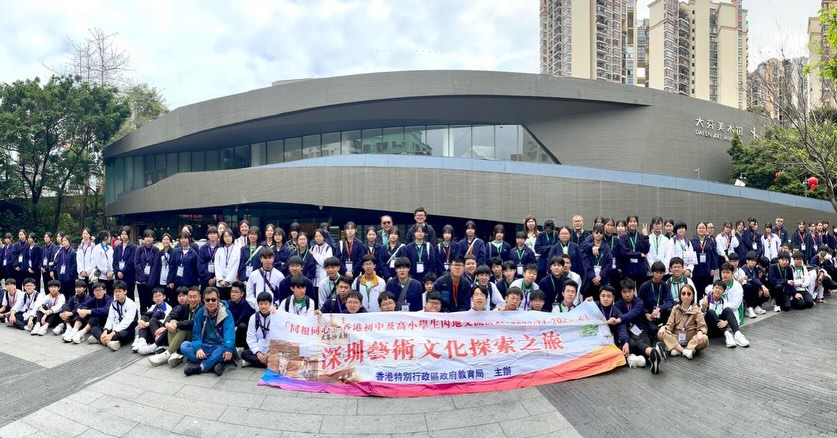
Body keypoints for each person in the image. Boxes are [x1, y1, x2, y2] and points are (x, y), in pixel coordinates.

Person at [181, 287, 236, 376]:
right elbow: (196, 335)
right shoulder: (200, 313)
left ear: (218, 300)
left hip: (220, 346)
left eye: (213, 300)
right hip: (205, 346)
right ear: (204, 301)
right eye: (207, 300)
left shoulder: (226, 313)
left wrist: (228, 349)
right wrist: (198, 348)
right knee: (184, 346)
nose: (210, 302)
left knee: (226, 348)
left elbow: (229, 333)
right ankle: (216, 363)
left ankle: (201, 367)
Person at [615, 279, 665, 374]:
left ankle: (651, 356)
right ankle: (652, 353)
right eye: (624, 292)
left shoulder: (639, 301)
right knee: (636, 341)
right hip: (627, 332)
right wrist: (621, 320)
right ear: (621, 292)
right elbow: (622, 325)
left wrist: (621, 318)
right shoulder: (617, 305)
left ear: (634, 291)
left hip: (641, 329)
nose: (627, 294)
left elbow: (633, 313)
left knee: (643, 340)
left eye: (630, 291)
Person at [148, 286, 202, 367]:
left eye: (194, 297)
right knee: (172, 321)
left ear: (200, 297)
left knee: (183, 328)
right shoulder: (185, 306)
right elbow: (171, 315)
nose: (192, 299)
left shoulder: (202, 308)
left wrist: (177, 325)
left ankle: (167, 353)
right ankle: (175, 353)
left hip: (195, 337)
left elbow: (193, 322)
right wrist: (167, 324)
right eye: (190, 297)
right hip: (182, 337)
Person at [657, 284, 708, 360]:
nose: (686, 296)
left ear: (693, 296)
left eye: (689, 294)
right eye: (683, 293)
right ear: (680, 295)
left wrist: (700, 332)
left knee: (704, 338)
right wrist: (663, 328)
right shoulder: (675, 308)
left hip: (691, 340)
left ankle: (678, 348)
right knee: (661, 333)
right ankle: (685, 351)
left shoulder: (696, 309)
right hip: (676, 338)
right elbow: (669, 325)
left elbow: (702, 326)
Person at [700, 280, 750, 348]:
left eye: (720, 289)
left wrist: (727, 322)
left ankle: (737, 334)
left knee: (728, 310)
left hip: (720, 330)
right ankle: (727, 334)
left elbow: (733, 316)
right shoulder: (705, 300)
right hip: (709, 329)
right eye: (716, 288)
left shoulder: (724, 302)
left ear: (723, 292)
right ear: (712, 289)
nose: (718, 290)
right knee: (711, 312)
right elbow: (700, 318)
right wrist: (703, 308)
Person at [92, 280, 138, 351]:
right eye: (115, 292)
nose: (117, 294)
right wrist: (105, 331)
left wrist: (111, 334)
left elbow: (126, 322)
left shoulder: (131, 304)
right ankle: (108, 342)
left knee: (122, 335)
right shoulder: (113, 303)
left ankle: (100, 339)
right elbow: (110, 318)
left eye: (120, 291)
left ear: (125, 292)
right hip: (113, 328)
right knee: (94, 328)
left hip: (126, 329)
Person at [596, 285, 633, 366]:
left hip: (610, 341)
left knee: (631, 344)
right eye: (603, 296)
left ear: (613, 298)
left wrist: (626, 342)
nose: (605, 299)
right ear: (599, 296)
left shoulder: (616, 311)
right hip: (595, 340)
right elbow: (587, 325)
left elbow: (621, 328)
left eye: (609, 296)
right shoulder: (593, 307)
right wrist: (606, 322)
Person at [638, 261, 674, 333]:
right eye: (656, 272)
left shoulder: (664, 285)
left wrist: (659, 308)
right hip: (649, 314)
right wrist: (646, 313)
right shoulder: (645, 285)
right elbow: (638, 302)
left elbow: (670, 301)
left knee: (669, 310)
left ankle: (666, 329)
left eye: (661, 273)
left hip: (660, 313)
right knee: (653, 330)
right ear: (652, 272)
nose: (659, 275)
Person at [133, 288, 172, 354]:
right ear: (153, 299)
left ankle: (158, 344)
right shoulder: (153, 307)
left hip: (161, 331)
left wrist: (148, 323)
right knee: (144, 317)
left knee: (153, 319)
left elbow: (165, 321)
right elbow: (145, 316)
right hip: (152, 330)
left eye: (159, 295)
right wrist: (141, 321)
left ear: (164, 297)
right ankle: (142, 342)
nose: (157, 298)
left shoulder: (168, 308)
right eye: (155, 296)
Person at [242, 292, 275, 368]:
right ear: (258, 304)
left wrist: (269, 353)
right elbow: (251, 338)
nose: (263, 306)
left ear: (270, 304)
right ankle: (269, 363)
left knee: (282, 354)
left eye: (266, 304)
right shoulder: (253, 317)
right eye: (261, 304)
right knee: (244, 354)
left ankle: (259, 362)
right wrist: (258, 353)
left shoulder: (275, 317)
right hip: (259, 348)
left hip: (272, 350)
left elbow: (278, 339)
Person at [580, 224, 612, 300]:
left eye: (601, 233)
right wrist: (593, 277)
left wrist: (601, 276)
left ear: (603, 234)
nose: (598, 235)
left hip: (602, 280)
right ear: (593, 233)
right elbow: (586, 264)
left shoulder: (606, 248)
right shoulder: (588, 248)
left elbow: (609, 263)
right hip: (589, 281)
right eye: (596, 232)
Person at [619, 216, 650, 286]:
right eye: (630, 221)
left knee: (641, 290)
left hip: (640, 268)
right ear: (627, 223)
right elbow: (624, 252)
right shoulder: (623, 237)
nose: (633, 223)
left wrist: (645, 236)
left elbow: (646, 250)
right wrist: (639, 254)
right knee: (628, 289)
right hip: (627, 268)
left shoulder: (641, 236)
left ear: (637, 223)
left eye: (634, 221)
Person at [224, 281, 254, 351]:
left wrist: (236, 326)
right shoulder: (227, 304)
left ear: (242, 294)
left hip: (240, 331)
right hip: (229, 328)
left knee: (242, 326)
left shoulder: (247, 305)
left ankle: (240, 349)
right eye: (232, 292)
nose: (233, 294)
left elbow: (245, 321)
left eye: (236, 292)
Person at [690, 222, 717, 302]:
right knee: (697, 290)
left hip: (707, 270)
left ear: (706, 229)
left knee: (707, 290)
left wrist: (713, 268)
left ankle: (706, 305)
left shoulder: (710, 241)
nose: (701, 229)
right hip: (696, 270)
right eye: (699, 228)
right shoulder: (692, 241)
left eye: (703, 228)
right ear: (696, 230)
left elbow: (714, 255)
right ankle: (697, 305)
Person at [133, 229, 159, 311]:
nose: (148, 239)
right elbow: (137, 264)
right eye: (147, 237)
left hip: (152, 282)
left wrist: (150, 280)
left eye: (151, 237)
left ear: (153, 239)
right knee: (142, 303)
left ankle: (151, 318)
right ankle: (143, 317)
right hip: (141, 281)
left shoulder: (156, 250)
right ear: (144, 238)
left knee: (152, 303)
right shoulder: (139, 249)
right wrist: (143, 277)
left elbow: (155, 266)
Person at [741, 251, 770, 318]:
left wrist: (760, 288)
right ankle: (748, 308)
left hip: (754, 288)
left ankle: (756, 306)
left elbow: (757, 279)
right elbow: (752, 279)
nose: (753, 262)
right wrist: (762, 286)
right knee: (749, 286)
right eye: (752, 261)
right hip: (745, 289)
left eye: (755, 261)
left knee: (764, 293)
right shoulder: (744, 269)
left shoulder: (755, 269)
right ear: (747, 261)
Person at [215, 229, 241, 301]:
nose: (227, 238)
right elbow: (216, 266)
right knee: (221, 302)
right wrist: (220, 280)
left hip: (231, 283)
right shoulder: (219, 250)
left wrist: (227, 281)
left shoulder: (237, 249)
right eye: (225, 236)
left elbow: (236, 266)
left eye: (229, 236)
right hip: (220, 283)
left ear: (232, 237)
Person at [113, 227, 137, 302]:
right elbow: (115, 261)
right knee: (119, 296)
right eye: (122, 234)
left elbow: (131, 262)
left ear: (128, 235)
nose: (123, 236)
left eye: (125, 234)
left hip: (128, 276)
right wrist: (117, 271)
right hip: (118, 276)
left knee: (130, 296)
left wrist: (123, 272)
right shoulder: (117, 247)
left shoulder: (133, 247)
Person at [198, 226, 221, 292]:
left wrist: (216, 278)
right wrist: (208, 278)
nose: (212, 235)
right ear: (207, 235)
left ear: (217, 235)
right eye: (210, 233)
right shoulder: (203, 248)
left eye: (214, 233)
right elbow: (200, 265)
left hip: (218, 279)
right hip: (205, 280)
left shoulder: (221, 247)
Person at [55, 235, 78, 301]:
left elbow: (74, 265)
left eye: (65, 240)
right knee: (62, 294)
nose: (64, 242)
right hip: (61, 276)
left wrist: (70, 274)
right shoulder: (60, 252)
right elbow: (57, 263)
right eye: (63, 241)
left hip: (69, 278)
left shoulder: (73, 252)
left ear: (69, 241)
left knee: (70, 293)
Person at [92, 231, 114, 295]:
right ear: (105, 237)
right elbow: (98, 262)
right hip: (102, 276)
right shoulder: (96, 248)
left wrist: (112, 271)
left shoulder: (110, 248)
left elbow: (112, 260)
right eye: (109, 236)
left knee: (110, 294)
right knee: (102, 293)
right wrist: (106, 272)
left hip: (111, 276)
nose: (110, 238)